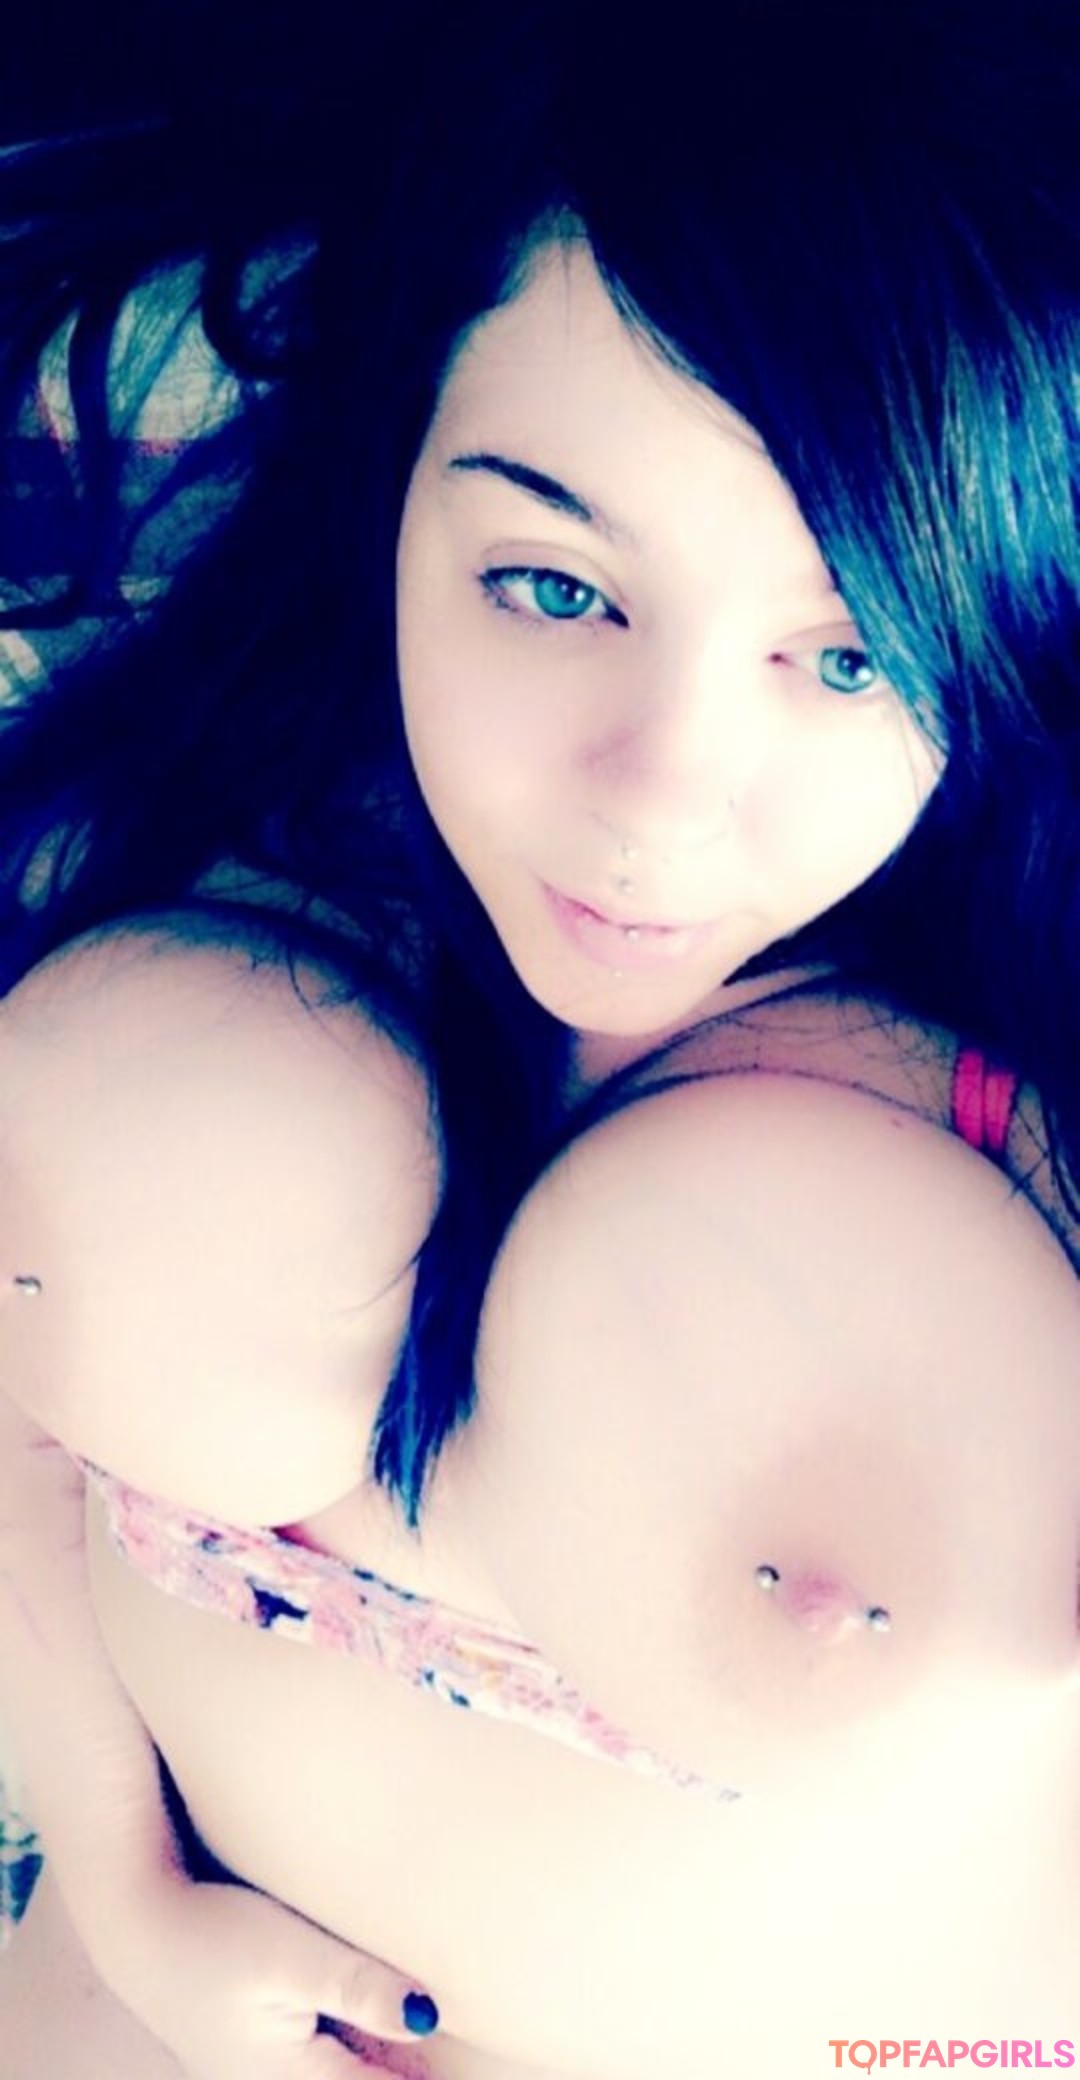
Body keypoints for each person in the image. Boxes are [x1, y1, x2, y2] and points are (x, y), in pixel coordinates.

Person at [0, 2, 1078, 2074]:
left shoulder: (1024, 1147)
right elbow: (26, 1391)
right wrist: (128, 1897)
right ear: (395, 479)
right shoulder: (205, 910)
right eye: (556, 587)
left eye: (850, 655)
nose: (660, 796)